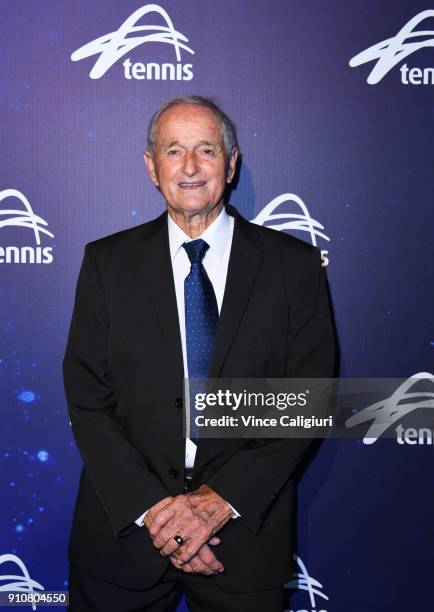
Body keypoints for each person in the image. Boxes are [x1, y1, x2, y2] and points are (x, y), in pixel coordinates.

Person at [63, 95, 336, 611]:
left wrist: (214, 504)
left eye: (206, 150)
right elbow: (87, 400)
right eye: (173, 151)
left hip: (243, 538)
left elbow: (308, 400)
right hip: (124, 537)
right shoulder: (106, 263)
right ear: (151, 167)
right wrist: (157, 513)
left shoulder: (293, 266)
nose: (189, 167)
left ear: (230, 164)